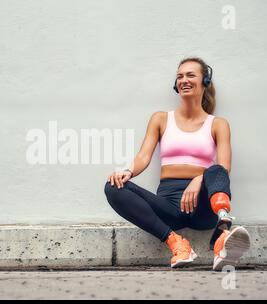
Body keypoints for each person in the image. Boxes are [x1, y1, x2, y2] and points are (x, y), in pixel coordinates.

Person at [104, 57, 250, 271]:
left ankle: (223, 232)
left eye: (191, 75)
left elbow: (224, 167)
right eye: (180, 76)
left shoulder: (218, 124)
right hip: (169, 207)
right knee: (113, 187)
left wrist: (199, 179)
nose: (184, 80)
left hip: (204, 207)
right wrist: (127, 172)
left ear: (205, 81)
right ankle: (178, 244)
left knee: (216, 170)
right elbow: (143, 157)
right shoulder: (161, 119)